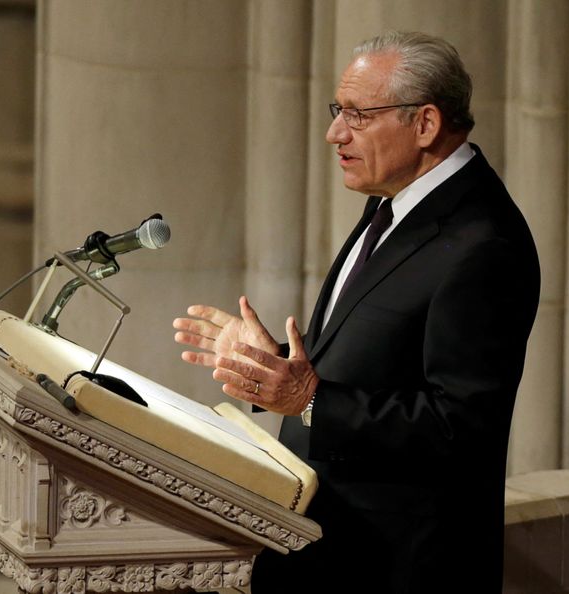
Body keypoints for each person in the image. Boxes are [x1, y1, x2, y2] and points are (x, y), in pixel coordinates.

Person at [173, 31, 539, 593]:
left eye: (358, 115)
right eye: (337, 111)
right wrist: (271, 366)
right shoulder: (394, 200)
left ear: (425, 125)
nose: (334, 133)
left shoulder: (484, 244)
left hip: (394, 569)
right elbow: (369, 366)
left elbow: (461, 428)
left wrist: (309, 399)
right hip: (320, 548)